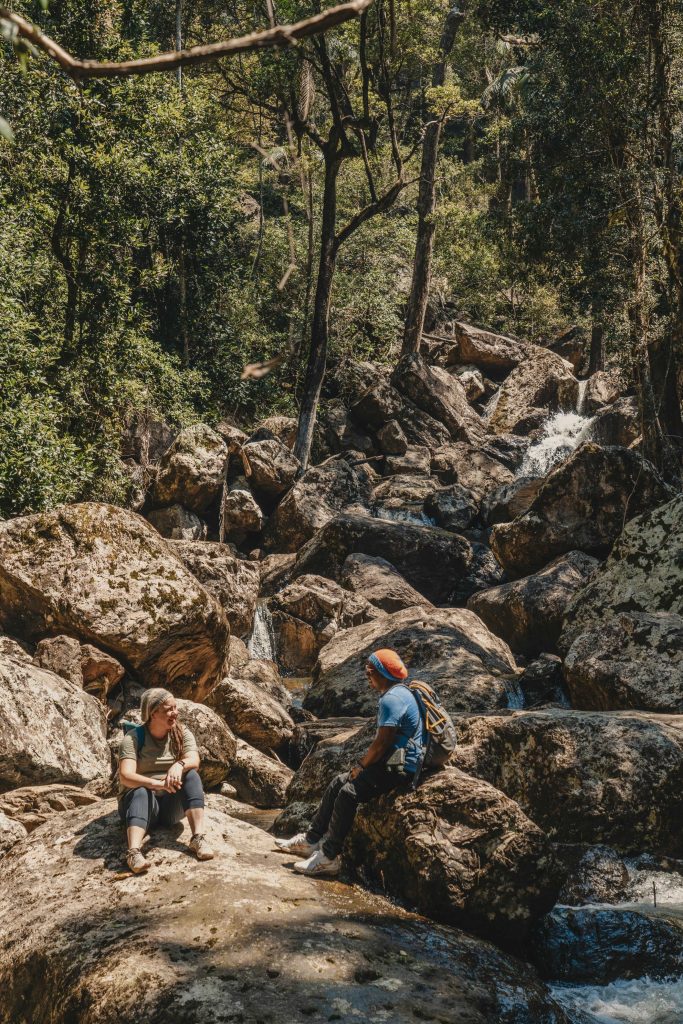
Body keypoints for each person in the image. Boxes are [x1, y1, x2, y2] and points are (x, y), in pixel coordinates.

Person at [274, 648, 424, 877]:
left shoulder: (392, 699)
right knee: (337, 782)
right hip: (394, 761)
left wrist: (361, 766)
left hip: (401, 768)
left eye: (369, 673)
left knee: (348, 792)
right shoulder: (400, 692)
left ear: (382, 673)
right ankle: (311, 840)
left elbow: (382, 744)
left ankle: (329, 856)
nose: (367, 678)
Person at [118, 688, 214, 873]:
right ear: (153, 713)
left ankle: (198, 838)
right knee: (140, 790)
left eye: (175, 708)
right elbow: (126, 776)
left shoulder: (181, 733)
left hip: (170, 808)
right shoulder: (133, 739)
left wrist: (179, 765)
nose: (175, 713)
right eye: (169, 709)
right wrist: (156, 784)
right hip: (142, 805)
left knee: (191, 775)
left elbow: (194, 760)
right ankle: (133, 853)